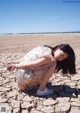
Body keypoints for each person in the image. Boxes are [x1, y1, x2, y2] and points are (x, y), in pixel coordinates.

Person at [7, 44, 76, 96]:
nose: (61, 58)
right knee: (53, 63)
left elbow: (27, 59)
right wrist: (15, 65)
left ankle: (38, 86)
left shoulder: (45, 48)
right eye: (61, 55)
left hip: (21, 82)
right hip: (25, 80)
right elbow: (31, 64)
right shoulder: (49, 57)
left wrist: (14, 62)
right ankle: (41, 90)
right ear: (58, 49)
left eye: (63, 58)